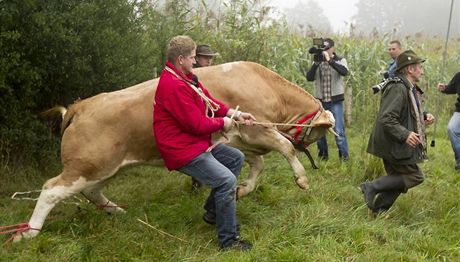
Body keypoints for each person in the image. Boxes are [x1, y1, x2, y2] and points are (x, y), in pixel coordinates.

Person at [153, 35, 256, 251]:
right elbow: (196, 125)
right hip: (181, 150)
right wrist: (224, 122)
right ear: (180, 59)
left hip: (194, 143)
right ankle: (228, 240)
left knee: (236, 158)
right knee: (227, 181)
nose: (194, 61)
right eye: (192, 57)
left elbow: (209, 100)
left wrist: (235, 114)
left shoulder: (188, 78)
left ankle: (212, 212)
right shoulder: (173, 85)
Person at [360, 50, 435, 216]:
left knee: (397, 178)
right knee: (415, 176)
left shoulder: (408, 87)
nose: (422, 71)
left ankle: (378, 211)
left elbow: (407, 110)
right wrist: (405, 134)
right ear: (410, 69)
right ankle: (370, 187)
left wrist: (424, 116)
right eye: (419, 67)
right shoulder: (398, 88)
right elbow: (387, 118)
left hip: (393, 141)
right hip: (392, 142)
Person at [306, 38, 349, 161]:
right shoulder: (318, 62)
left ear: (332, 48)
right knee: (319, 130)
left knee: (339, 130)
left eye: (327, 48)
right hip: (321, 101)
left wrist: (330, 61)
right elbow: (309, 77)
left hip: (336, 102)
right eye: (323, 48)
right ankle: (323, 156)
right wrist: (316, 63)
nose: (325, 51)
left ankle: (344, 158)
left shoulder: (340, 60)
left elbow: (344, 72)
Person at [190, 44, 220, 191]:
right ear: (196, 58)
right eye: (206, 58)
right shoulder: (191, 76)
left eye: (210, 58)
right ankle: (198, 180)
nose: (209, 61)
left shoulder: (209, 75)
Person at [436, 72, 460, 170]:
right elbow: (452, 88)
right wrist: (444, 88)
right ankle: (459, 159)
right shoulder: (459, 76)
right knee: (452, 128)